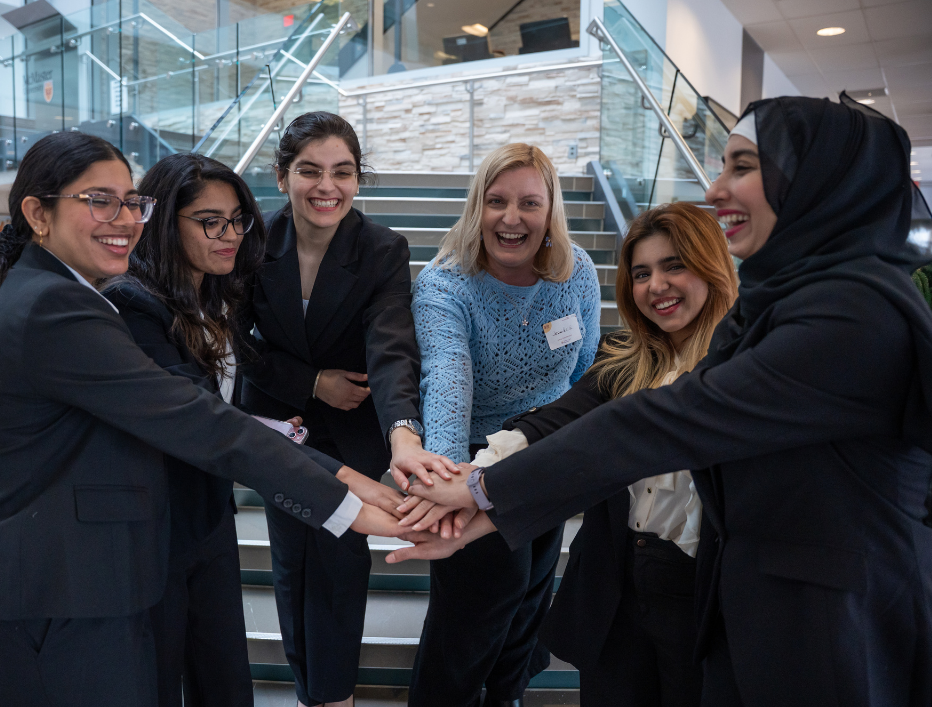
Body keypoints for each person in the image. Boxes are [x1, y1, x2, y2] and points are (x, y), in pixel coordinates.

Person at [391, 95, 932, 707]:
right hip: (750, 612)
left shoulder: (849, 311)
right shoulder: (786, 298)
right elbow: (519, 396)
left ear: (820, 181)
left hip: (834, 627)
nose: (718, 187)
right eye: (640, 274)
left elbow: (663, 422)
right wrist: (469, 489)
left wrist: (483, 493)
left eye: (743, 166)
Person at [0, 132, 401, 707]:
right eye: (98, 201)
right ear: (38, 213)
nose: (123, 219)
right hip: (61, 589)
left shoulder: (69, 293)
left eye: (130, 201)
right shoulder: (56, 306)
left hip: (93, 574)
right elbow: (196, 419)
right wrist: (347, 499)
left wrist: (348, 480)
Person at [458, 201, 737, 706]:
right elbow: (553, 424)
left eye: (675, 265)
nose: (657, 286)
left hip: (705, 594)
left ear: (712, 265)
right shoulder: (620, 357)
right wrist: (471, 475)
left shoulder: (743, 369)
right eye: (642, 273)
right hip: (618, 587)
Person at [240, 111, 454, 707]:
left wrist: (404, 433)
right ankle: (314, 691)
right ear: (283, 176)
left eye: (342, 171)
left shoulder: (383, 248)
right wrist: (313, 382)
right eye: (309, 171)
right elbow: (235, 339)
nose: (325, 186)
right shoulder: (253, 243)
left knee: (336, 569)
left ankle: (333, 698)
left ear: (359, 179)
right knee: (290, 568)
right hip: (280, 427)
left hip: (352, 430)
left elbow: (391, 348)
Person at [405, 143, 601, 707]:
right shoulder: (447, 283)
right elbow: (446, 376)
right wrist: (450, 479)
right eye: (496, 202)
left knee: (532, 596)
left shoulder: (576, 271)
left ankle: (505, 695)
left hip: (547, 452)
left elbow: (584, 369)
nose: (511, 218)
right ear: (477, 208)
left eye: (528, 203)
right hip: (474, 456)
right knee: (481, 603)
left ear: (550, 212)